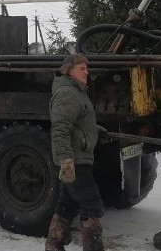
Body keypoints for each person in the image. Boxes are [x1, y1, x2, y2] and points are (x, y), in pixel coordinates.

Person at [44, 53, 106, 251]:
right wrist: (66, 161)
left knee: (67, 203)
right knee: (91, 204)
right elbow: (60, 129)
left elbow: (77, 123)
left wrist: (94, 131)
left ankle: (54, 244)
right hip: (75, 160)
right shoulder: (67, 93)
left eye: (86, 68)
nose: (86, 72)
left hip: (78, 157)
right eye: (82, 68)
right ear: (69, 71)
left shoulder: (77, 91)